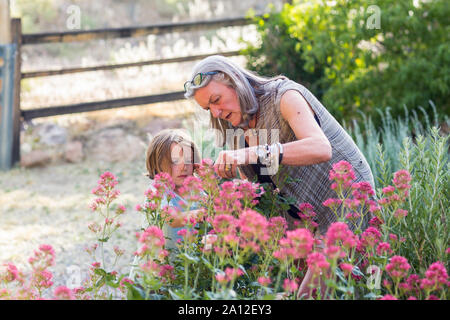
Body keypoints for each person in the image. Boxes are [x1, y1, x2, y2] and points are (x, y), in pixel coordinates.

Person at [184, 55, 375, 297]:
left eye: (217, 100)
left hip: (346, 201)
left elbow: (320, 148)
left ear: (234, 82)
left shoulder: (283, 96)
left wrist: (251, 153)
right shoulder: (236, 127)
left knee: (322, 293)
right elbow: (261, 187)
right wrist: (221, 180)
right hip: (304, 220)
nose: (216, 112)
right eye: (208, 108)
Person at [129, 129, 202, 280]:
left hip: (184, 272)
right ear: (157, 164)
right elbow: (171, 218)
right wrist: (202, 213)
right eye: (175, 161)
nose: (183, 166)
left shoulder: (197, 191)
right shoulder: (158, 191)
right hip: (153, 273)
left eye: (188, 159)